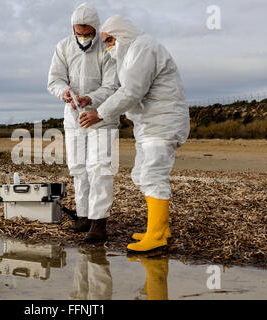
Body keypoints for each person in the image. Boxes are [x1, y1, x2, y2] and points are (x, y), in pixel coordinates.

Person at [79, 15, 190, 252]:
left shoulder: (143, 48)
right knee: (141, 174)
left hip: (162, 123)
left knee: (152, 175)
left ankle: (157, 235)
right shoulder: (133, 53)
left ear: (122, 33)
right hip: (150, 125)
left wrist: (99, 113)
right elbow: (125, 90)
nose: (108, 46)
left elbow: (131, 91)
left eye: (110, 40)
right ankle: (159, 227)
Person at [47, 3, 119, 242]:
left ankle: (99, 223)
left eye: (88, 34)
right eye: (80, 33)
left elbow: (112, 85)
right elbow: (54, 80)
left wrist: (91, 99)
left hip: (102, 116)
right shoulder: (63, 47)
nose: (84, 37)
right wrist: (64, 93)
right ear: (73, 29)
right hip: (73, 116)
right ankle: (84, 216)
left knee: (99, 167)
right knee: (78, 167)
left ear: (95, 29)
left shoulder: (107, 48)